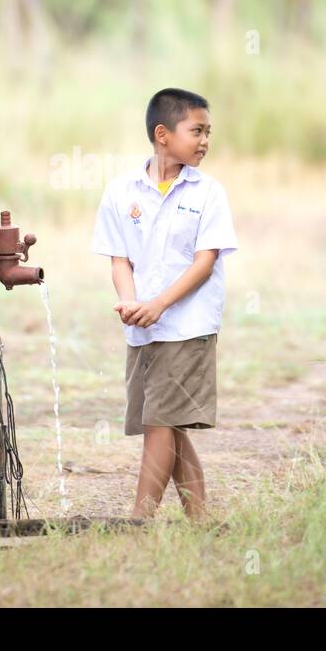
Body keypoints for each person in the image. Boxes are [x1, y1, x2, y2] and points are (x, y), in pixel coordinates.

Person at [92, 88, 237, 519]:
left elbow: (204, 262)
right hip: (143, 327)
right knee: (167, 423)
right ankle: (201, 519)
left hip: (187, 326)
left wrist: (158, 304)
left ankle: (139, 520)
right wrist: (130, 302)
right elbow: (120, 259)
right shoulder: (121, 192)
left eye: (208, 132)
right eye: (197, 131)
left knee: (159, 423)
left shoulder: (208, 193)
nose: (206, 141)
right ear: (162, 134)